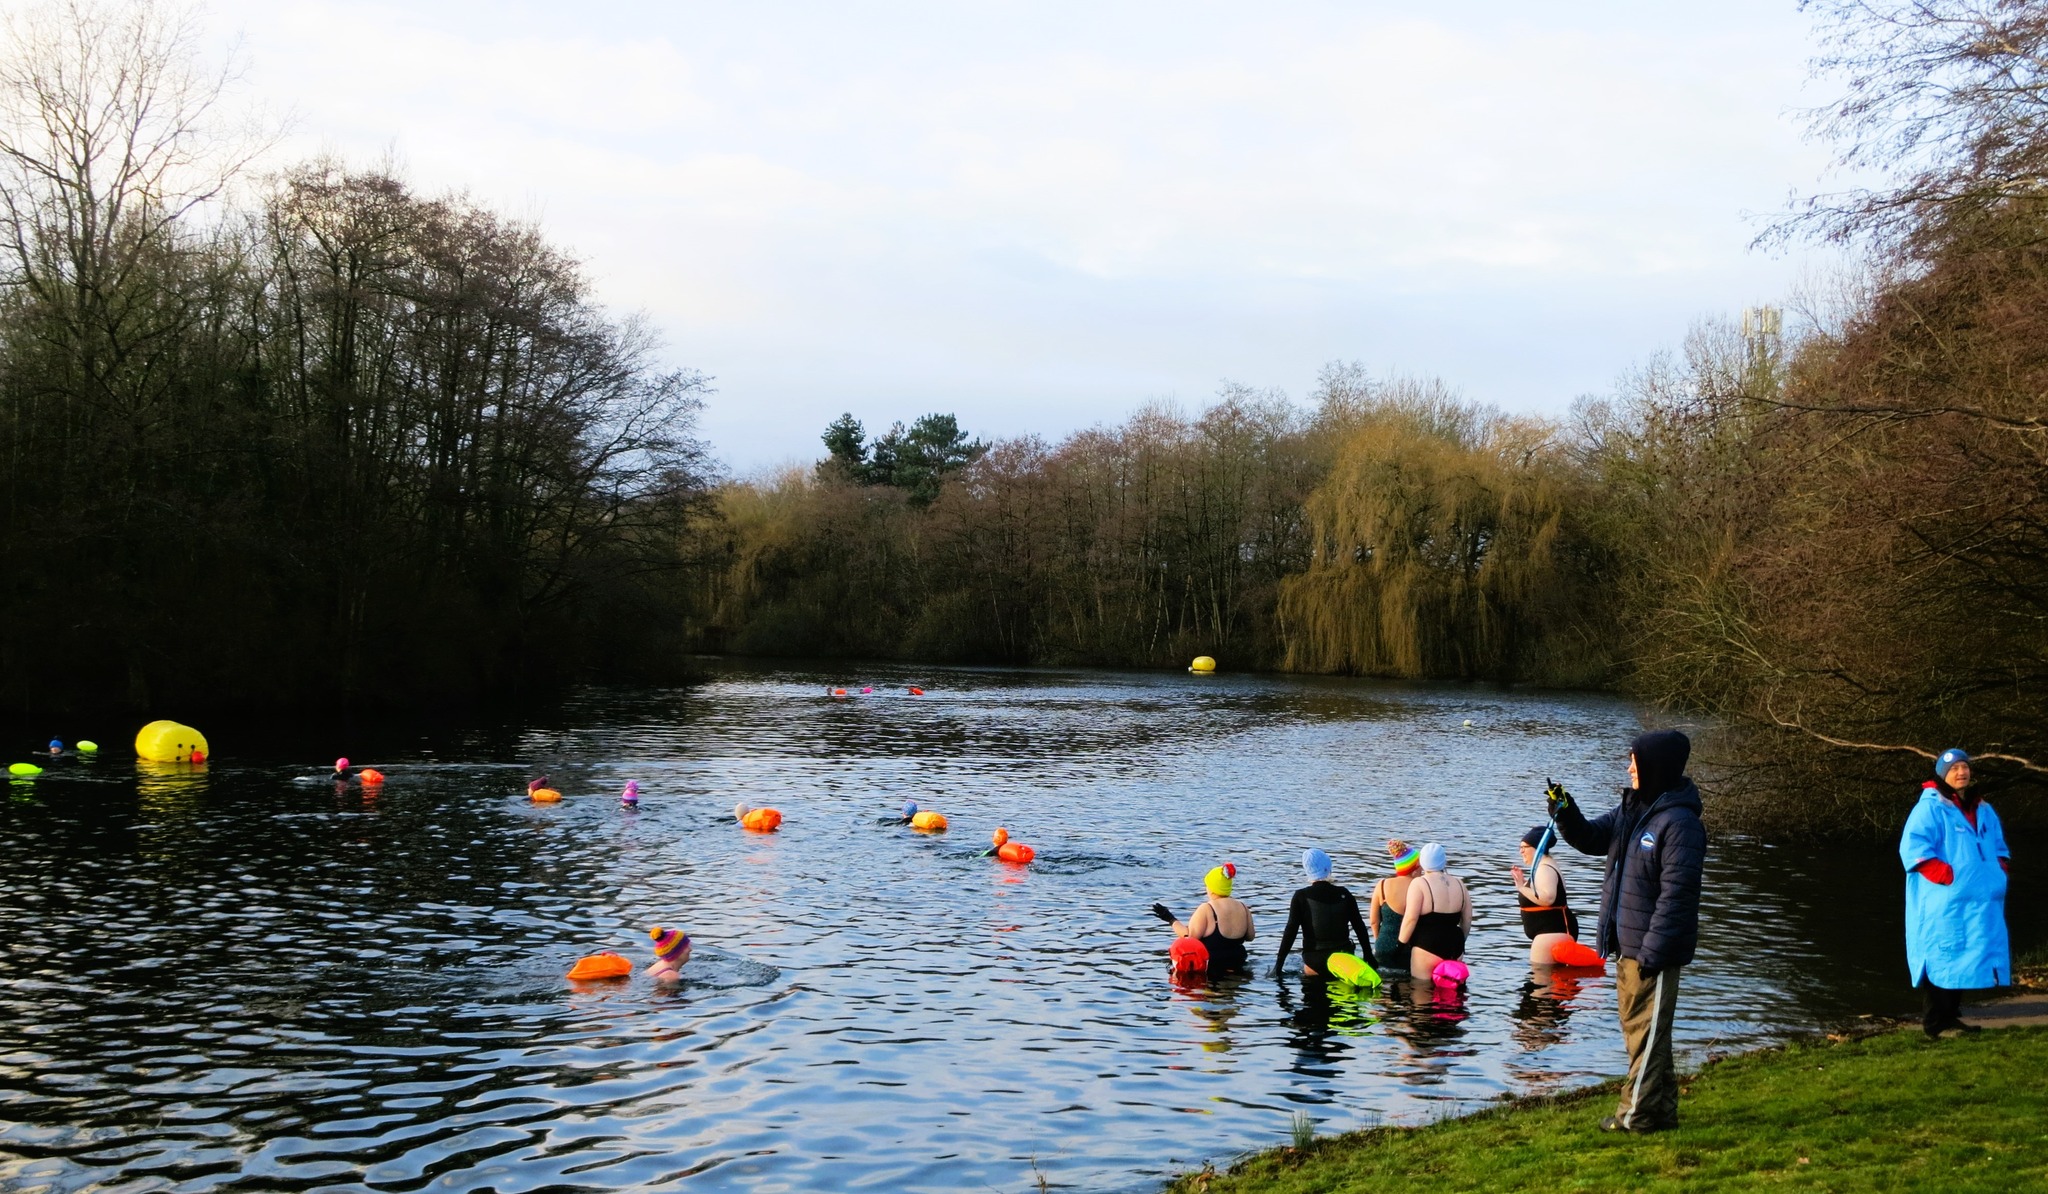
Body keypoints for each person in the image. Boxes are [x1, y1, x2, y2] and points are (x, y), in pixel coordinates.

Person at [1549, 728, 1706, 1134]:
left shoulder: (1680, 824)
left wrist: (1654, 952)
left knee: (1646, 1036)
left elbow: (1678, 896)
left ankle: (1634, 1117)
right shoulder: (1632, 810)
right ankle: (1662, 1112)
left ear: (1655, 766)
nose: (1629, 767)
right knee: (1645, 1036)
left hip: (1653, 952)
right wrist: (1565, 811)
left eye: (1634, 761)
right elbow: (1591, 838)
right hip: (1627, 946)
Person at [1901, 748, 2012, 1038]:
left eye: (1964, 767)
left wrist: (2000, 870)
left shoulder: (1982, 808)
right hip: (1944, 901)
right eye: (1954, 769)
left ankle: (1950, 1019)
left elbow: (1999, 846)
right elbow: (1913, 849)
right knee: (1942, 956)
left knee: (1965, 956)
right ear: (1942, 774)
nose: (1961, 773)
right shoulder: (1931, 807)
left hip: (1979, 902)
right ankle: (1935, 1024)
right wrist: (1948, 876)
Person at [1273, 848, 1372, 978]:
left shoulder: (1301, 896)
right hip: (1343, 960)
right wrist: (1368, 956)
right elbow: (1359, 927)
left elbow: (1290, 931)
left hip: (1314, 962)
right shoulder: (1345, 894)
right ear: (1328, 868)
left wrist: (1278, 965)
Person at [1152, 863, 1255, 974]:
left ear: (1211, 889)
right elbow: (1250, 936)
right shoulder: (1243, 907)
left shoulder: (1207, 909)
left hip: (1214, 967)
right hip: (1238, 963)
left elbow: (1190, 938)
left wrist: (1170, 919)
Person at [1398, 843, 1470, 979]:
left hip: (1427, 946)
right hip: (1455, 945)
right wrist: (1461, 941)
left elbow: (1410, 919)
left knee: (1421, 991)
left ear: (1422, 861)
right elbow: (1467, 920)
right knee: (1452, 992)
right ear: (1444, 861)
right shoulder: (1460, 884)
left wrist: (1400, 945)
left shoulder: (1419, 883)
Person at [1512, 824, 1580, 967]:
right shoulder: (1543, 867)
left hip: (1551, 933)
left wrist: (1520, 887)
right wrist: (1524, 883)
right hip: (1552, 932)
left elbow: (1548, 898)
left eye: (1524, 847)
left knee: (1541, 983)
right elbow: (1540, 894)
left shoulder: (1544, 868)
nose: (1521, 851)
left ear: (1537, 847)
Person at [1369, 840, 1419, 973]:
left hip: (1383, 946)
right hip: (1410, 949)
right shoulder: (1420, 887)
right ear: (1414, 868)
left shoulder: (1382, 885)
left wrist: (1380, 940)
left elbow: (1374, 921)